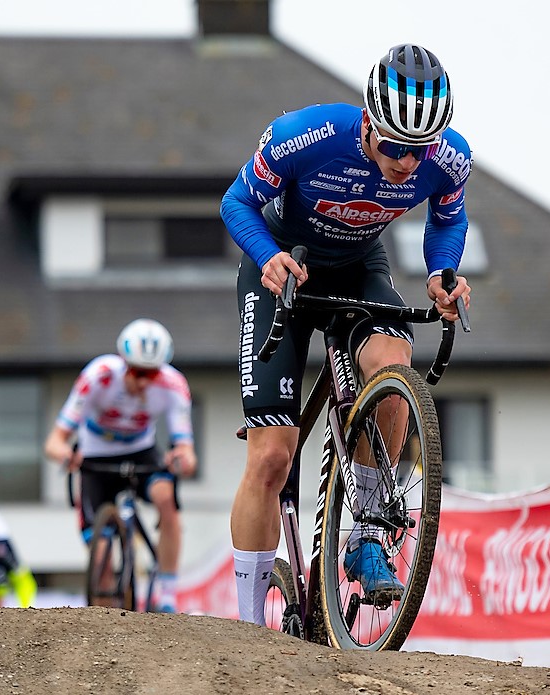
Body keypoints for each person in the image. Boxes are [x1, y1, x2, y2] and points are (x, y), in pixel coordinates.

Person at [220, 44, 472, 625]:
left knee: (393, 361)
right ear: (367, 121)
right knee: (272, 458)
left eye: (420, 150)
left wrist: (441, 274)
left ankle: (363, 533)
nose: (407, 163)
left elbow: (448, 218)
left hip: (360, 266)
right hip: (282, 267)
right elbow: (236, 202)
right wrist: (268, 256)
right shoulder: (303, 136)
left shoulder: (450, 159)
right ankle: (247, 625)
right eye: (394, 147)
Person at [42, 318, 198, 613]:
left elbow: (186, 451)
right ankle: (102, 619)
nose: (143, 382)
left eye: (151, 374)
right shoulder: (98, 377)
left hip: (141, 451)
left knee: (166, 497)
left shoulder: (173, 385)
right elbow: (54, 441)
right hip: (95, 454)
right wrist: (66, 455)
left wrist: (183, 459)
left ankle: (167, 594)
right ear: (123, 362)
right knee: (99, 550)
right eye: (137, 372)